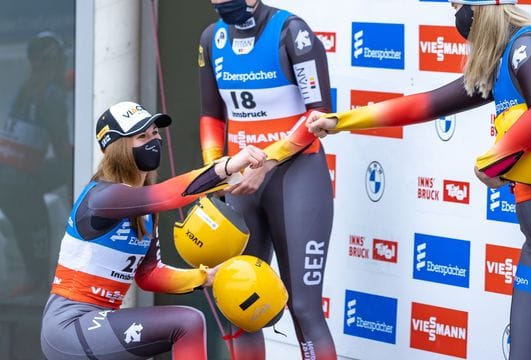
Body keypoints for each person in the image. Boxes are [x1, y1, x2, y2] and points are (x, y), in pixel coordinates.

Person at [306, 1, 531, 359]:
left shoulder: (530, 46)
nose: (455, 13)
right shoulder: (500, 65)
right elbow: (424, 105)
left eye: (458, 4)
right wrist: (343, 120)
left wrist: (491, 164)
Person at [40, 101, 266, 360]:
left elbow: (149, 274)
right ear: (117, 148)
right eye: (141, 136)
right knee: (187, 322)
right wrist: (225, 167)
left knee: (187, 322)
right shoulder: (102, 197)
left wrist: (206, 277)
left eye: (155, 133)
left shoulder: (145, 208)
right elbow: (167, 196)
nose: (153, 141)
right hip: (69, 324)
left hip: (98, 322)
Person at [197, 0, 336, 359]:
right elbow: (211, 117)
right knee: (238, 302)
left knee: (303, 307)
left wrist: (268, 162)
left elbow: (319, 114)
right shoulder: (212, 39)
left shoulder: (292, 32)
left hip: (296, 176)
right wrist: (217, 169)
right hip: (241, 183)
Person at [0, 31, 73, 297]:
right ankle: (40, 281)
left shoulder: (29, 86)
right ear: (56, 62)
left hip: (6, 176)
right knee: (37, 228)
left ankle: (34, 277)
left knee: (23, 226)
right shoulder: (52, 98)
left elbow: (53, 84)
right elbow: (63, 150)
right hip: (22, 183)